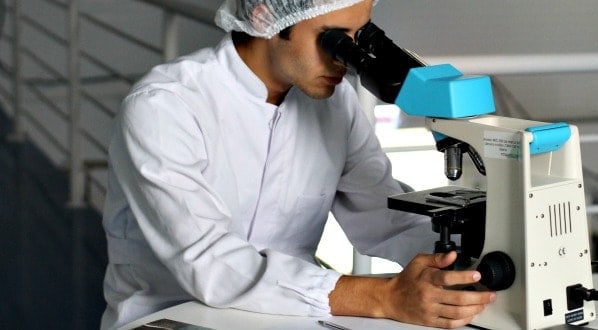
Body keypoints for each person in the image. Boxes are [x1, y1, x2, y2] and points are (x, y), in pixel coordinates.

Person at [100, 0, 496, 329]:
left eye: (360, 37)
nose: (347, 61)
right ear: (264, 16)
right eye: (334, 39)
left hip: (291, 315)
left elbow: (384, 217)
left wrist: (463, 266)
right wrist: (384, 297)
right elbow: (209, 263)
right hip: (170, 316)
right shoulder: (166, 106)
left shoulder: (335, 105)